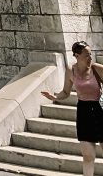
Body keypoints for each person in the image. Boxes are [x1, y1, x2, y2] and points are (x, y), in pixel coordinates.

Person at [42, 40, 103, 175]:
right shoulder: (71, 71)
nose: (90, 58)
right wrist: (55, 97)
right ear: (76, 55)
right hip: (83, 113)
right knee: (88, 156)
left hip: (99, 110)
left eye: (91, 55)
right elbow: (66, 92)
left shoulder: (97, 68)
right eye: (87, 55)